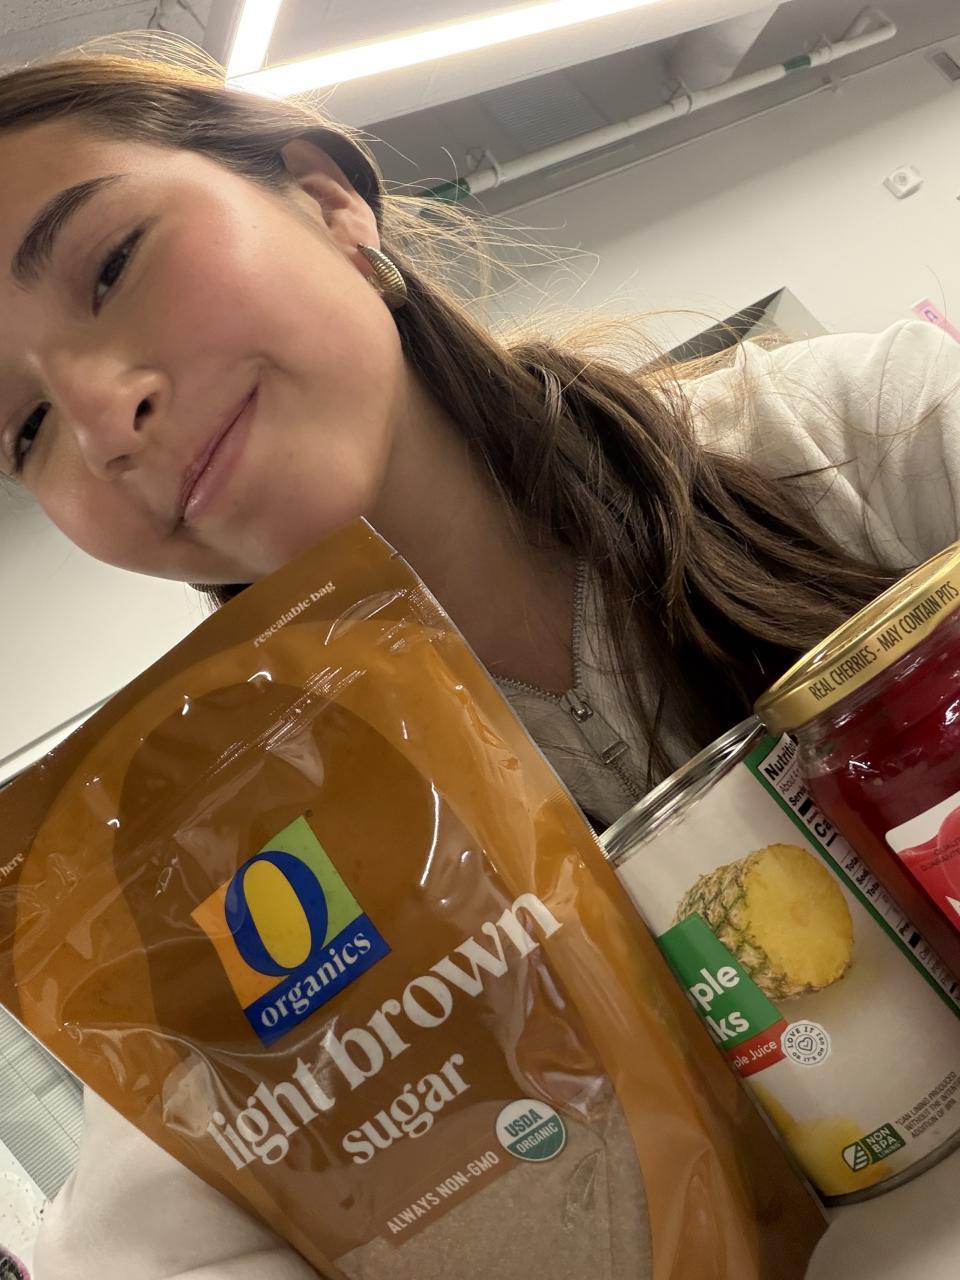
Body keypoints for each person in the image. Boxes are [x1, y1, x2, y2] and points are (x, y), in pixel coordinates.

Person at [1, 38, 959, 1280]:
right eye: (23, 427)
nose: (99, 418)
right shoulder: (212, 874)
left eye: (112, 263)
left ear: (327, 202)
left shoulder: (855, 437)